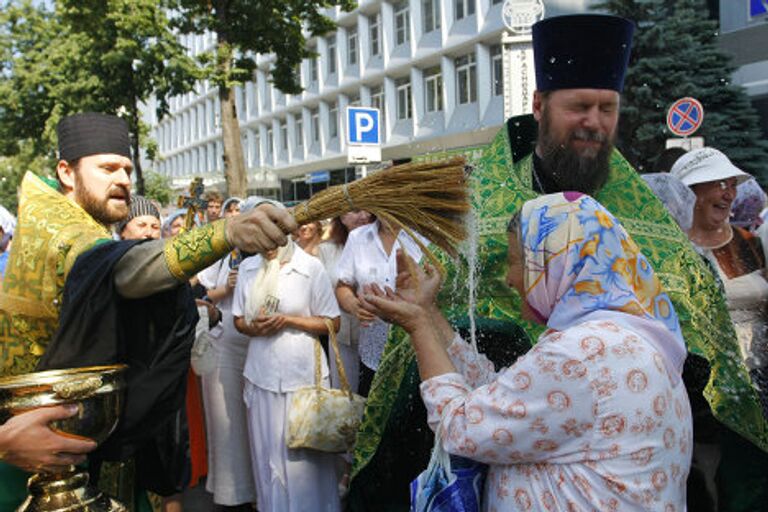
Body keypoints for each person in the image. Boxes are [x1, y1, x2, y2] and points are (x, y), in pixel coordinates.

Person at [347, 14, 766, 511]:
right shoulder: (488, 206)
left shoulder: (586, 339)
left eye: (607, 107)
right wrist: (431, 315)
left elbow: (479, 416)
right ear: (540, 106)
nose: (594, 121)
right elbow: (511, 390)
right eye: (579, 106)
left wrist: (420, 324)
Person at [0, 112, 297, 509]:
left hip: (94, 453)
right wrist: (226, 233)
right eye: (107, 168)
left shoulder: (88, 227)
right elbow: (121, 270)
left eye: (125, 168)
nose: (122, 178)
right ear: (66, 173)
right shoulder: (57, 229)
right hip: (30, 460)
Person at [363, 193, 692, 510]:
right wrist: (429, 311)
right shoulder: (622, 338)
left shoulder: (579, 355)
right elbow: (500, 401)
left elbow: (461, 428)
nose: (509, 278)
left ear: (554, 261)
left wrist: (419, 325)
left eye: (516, 262)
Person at [232, 228, 341, 512]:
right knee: (267, 453)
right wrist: (255, 327)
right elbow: (239, 320)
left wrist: (290, 321)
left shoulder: (309, 266)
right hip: (261, 373)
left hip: (302, 376)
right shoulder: (248, 267)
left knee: (305, 461)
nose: (268, 244)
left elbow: (332, 322)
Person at [198, 197, 263, 511]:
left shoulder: (279, 254)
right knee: (228, 422)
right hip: (224, 342)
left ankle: (265, 492)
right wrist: (226, 287)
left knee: (263, 422)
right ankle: (234, 492)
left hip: (264, 346)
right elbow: (200, 293)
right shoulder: (221, 250)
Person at [335, 218, 424, 397]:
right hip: (372, 355)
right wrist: (353, 305)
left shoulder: (426, 236)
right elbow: (343, 286)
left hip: (419, 354)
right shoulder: (358, 237)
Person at [317, 210, 374, 392]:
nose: (363, 215)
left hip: (375, 330)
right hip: (341, 333)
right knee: (344, 391)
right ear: (341, 217)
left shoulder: (378, 244)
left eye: (367, 210)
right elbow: (322, 290)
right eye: (356, 210)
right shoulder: (327, 250)